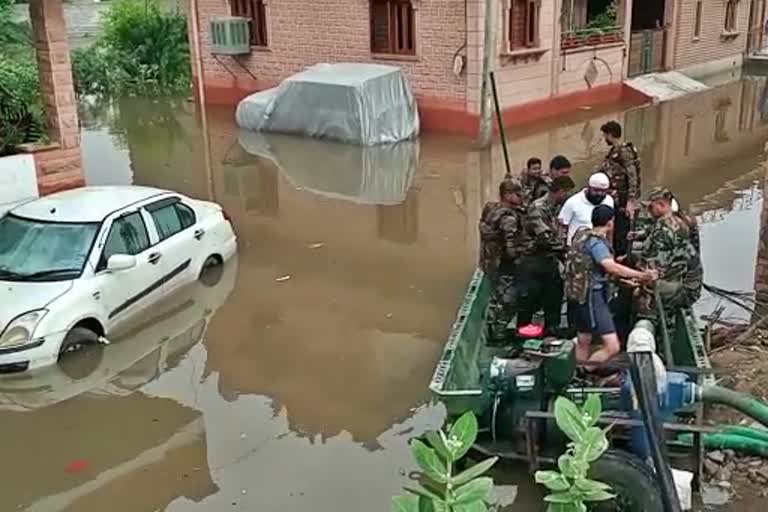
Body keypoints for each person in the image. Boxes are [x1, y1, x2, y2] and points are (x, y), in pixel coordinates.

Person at [565, 205, 658, 365]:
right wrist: (642, 275)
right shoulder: (597, 243)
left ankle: (576, 373)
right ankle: (587, 370)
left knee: (584, 340)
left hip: (577, 294)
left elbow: (592, 268)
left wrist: (623, 281)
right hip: (593, 298)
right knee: (612, 347)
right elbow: (610, 266)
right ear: (610, 223)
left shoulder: (581, 235)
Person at [518, 176, 576, 333]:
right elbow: (544, 238)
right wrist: (566, 251)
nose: (567, 197)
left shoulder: (554, 207)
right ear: (560, 191)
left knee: (554, 296)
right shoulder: (537, 208)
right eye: (567, 193)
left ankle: (552, 330)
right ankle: (523, 333)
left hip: (549, 259)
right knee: (529, 299)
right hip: (533, 261)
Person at [634, 187, 700, 319]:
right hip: (681, 278)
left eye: (651, 207)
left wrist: (637, 279)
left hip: (682, 288)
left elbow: (656, 271)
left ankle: (651, 322)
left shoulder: (665, 230)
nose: (648, 211)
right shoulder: (673, 221)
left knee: (640, 298)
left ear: (661, 205)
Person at [478, 178, 527, 343]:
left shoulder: (490, 208)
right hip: (503, 265)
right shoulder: (509, 218)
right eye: (517, 193)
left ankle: (492, 328)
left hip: (487, 261)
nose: (521, 196)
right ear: (507, 195)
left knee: (495, 298)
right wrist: (522, 259)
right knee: (509, 300)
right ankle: (498, 334)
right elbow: (511, 248)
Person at [597, 121, 641, 257]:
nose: (604, 139)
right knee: (616, 229)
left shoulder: (624, 150)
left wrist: (631, 200)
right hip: (615, 196)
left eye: (605, 135)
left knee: (622, 230)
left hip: (623, 198)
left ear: (610, 135)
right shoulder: (614, 152)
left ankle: (622, 257)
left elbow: (632, 175)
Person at [558, 172, 614, 245]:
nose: (599, 194)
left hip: (600, 249)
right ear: (589, 187)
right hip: (577, 249)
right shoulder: (573, 202)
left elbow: (610, 225)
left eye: (603, 191)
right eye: (596, 190)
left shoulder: (609, 200)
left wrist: (610, 246)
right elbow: (562, 226)